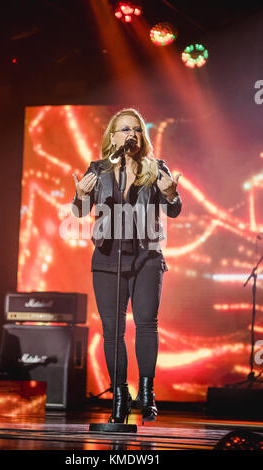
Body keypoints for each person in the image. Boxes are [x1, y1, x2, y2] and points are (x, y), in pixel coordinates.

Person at [72, 108, 181, 424]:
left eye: (135, 129)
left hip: (147, 257)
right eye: (123, 129)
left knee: (147, 323)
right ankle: (119, 398)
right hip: (108, 260)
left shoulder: (156, 168)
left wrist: (172, 194)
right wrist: (79, 195)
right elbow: (80, 211)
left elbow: (173, 209)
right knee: (113, 330)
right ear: (112, 136)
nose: (130, 134)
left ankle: (146, 392)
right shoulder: (100, 170)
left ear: (141, 136)